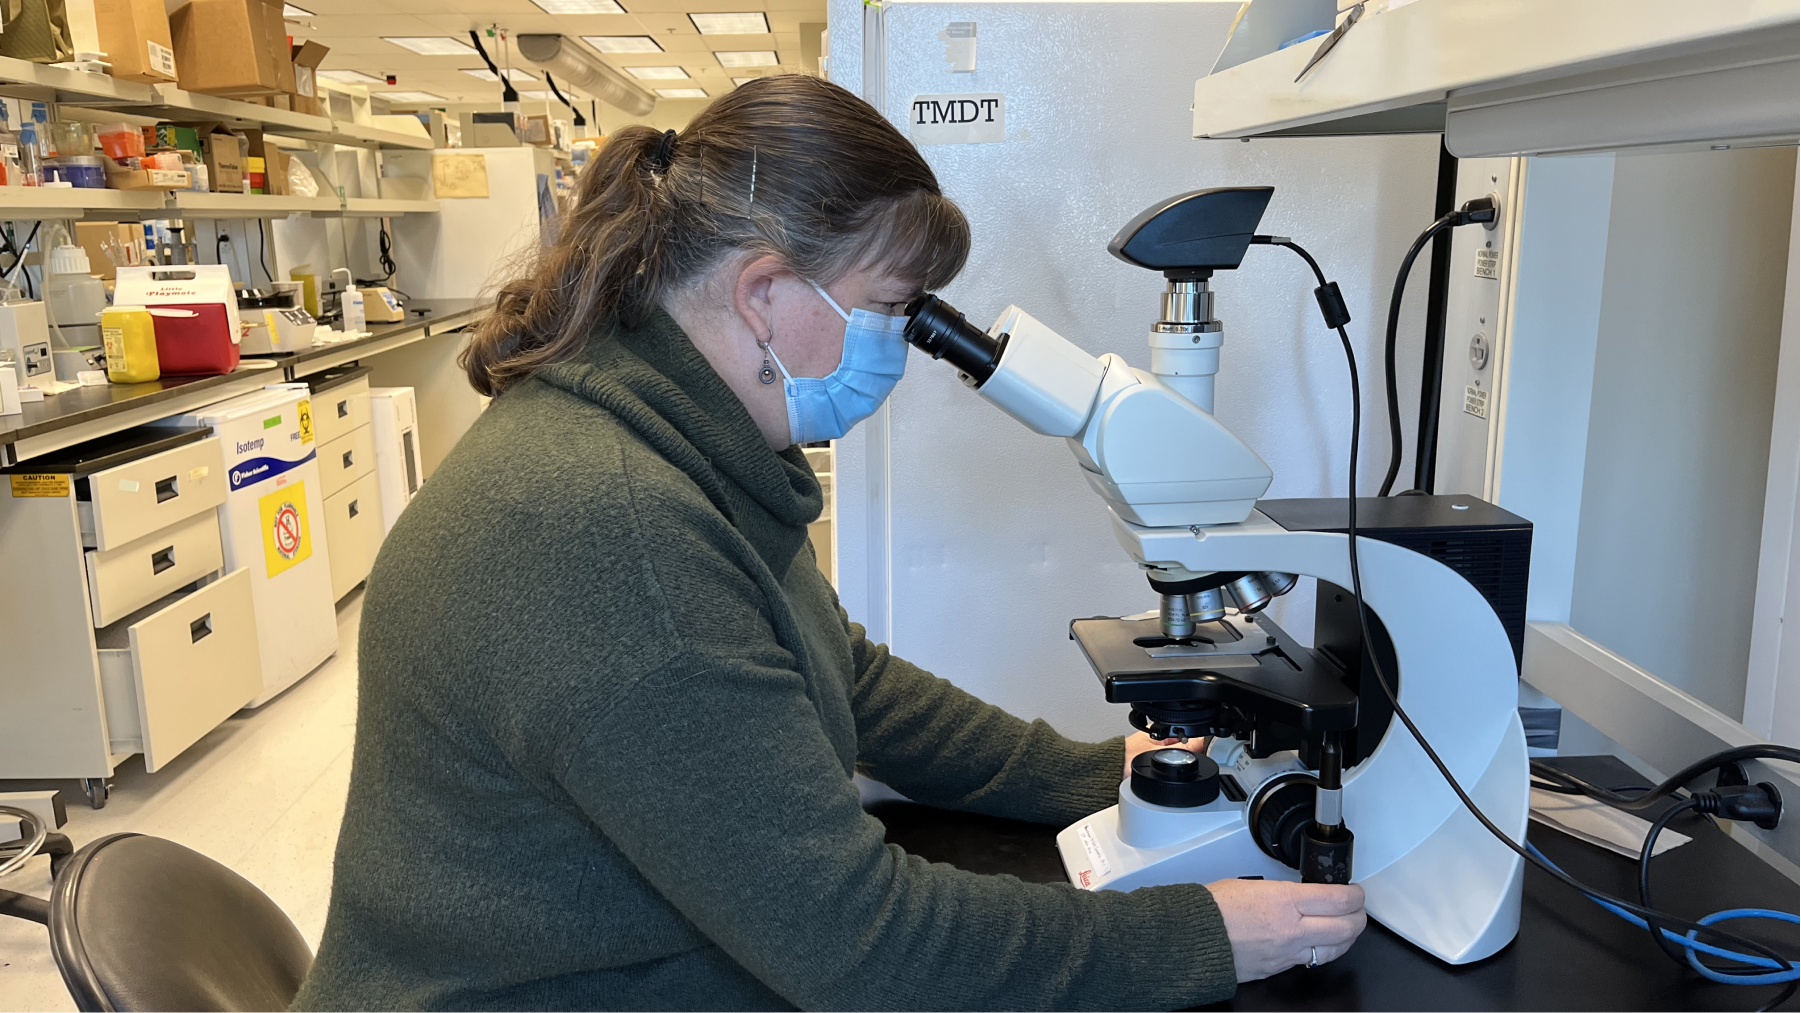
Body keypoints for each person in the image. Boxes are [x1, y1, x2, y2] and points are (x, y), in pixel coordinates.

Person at [290, 75, 1365, 1013]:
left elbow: (852, 680)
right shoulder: (608, 528)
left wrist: (1096, 772)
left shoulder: (664, 440)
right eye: (890, 309)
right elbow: (866, 950)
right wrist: (1202, 934)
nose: (899, 348)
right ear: (764, 295)